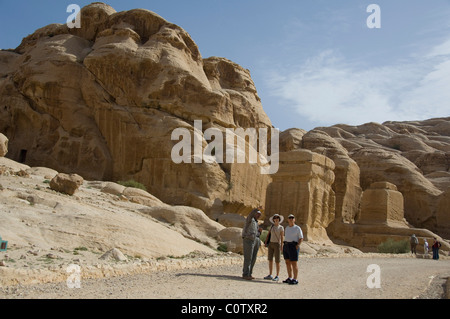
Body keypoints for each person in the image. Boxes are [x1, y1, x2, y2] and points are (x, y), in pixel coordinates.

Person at [242, 206, 263, 280]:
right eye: (257, 214)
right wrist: (256, 209)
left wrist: (259, 232)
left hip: (255, 240)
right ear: (254, 214)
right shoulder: (250, 219)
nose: (259, 215)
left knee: (253, 258)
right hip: (248, 240)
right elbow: (250, 214)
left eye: (260, 214)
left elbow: (255, 232)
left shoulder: (256, 222)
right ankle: (245, 274)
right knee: (248, 257)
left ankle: (249, 273)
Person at [282, 214, 303, 285]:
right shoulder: (287, 228)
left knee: (294, 263)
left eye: (292, 218)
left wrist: (298, 245)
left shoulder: (297, 228)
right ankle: (290, 277)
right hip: (286, 246)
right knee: (287, 262)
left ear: (294, 219)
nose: (291, 219)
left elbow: (301, 238)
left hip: (293, 246)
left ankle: (295, 279)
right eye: (289, 218)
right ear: (287, 220)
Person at [264, 214, 284, 282]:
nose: (276, 219)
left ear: (279, 219)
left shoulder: (281, 227)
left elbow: (282, 237)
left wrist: (281, 246)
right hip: (271, 244)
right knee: (270, 260)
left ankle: (277, 275)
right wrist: (266, 242)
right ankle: (270, 274)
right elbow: (268, 234)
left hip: (277, 244)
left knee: (277, 261)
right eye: (275, 218)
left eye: (277, 218)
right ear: (273, 220)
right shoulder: (271, 227)